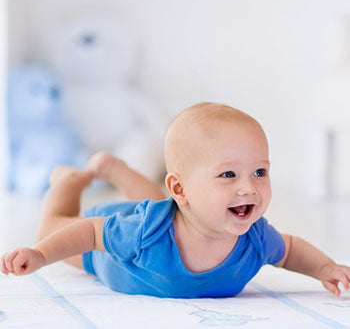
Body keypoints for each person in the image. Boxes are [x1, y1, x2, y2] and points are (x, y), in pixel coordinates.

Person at [1, 102, 350, 298]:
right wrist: (41, 253)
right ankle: (68, 179)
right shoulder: (141, 231)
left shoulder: (256, 239)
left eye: (260, 172)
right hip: (109, 248)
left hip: (168, 213)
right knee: (54, 223)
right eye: (229, 175)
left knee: (163, 205)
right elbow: (91, 233)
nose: (249, 187)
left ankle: (118, 169)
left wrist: (324, 268)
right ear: (181, 188)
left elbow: (289, 250)